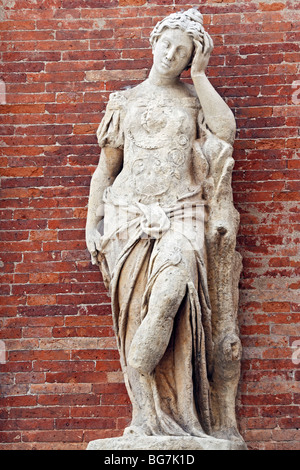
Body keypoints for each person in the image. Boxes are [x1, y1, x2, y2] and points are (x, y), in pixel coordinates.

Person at [86, 8, 242, 440]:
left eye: (182, 51)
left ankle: (174, 400)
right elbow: (106, 169)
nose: (169, 54)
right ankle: (145, 417)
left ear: (191, 58)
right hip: (127, 216)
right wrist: (91, 222)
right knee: (134, 315)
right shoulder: (124, 102)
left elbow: (225, 131)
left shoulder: (194, 100)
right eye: (165, 44)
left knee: (171, 291)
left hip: (182, 212)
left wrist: (201, 75)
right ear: (153, 42)